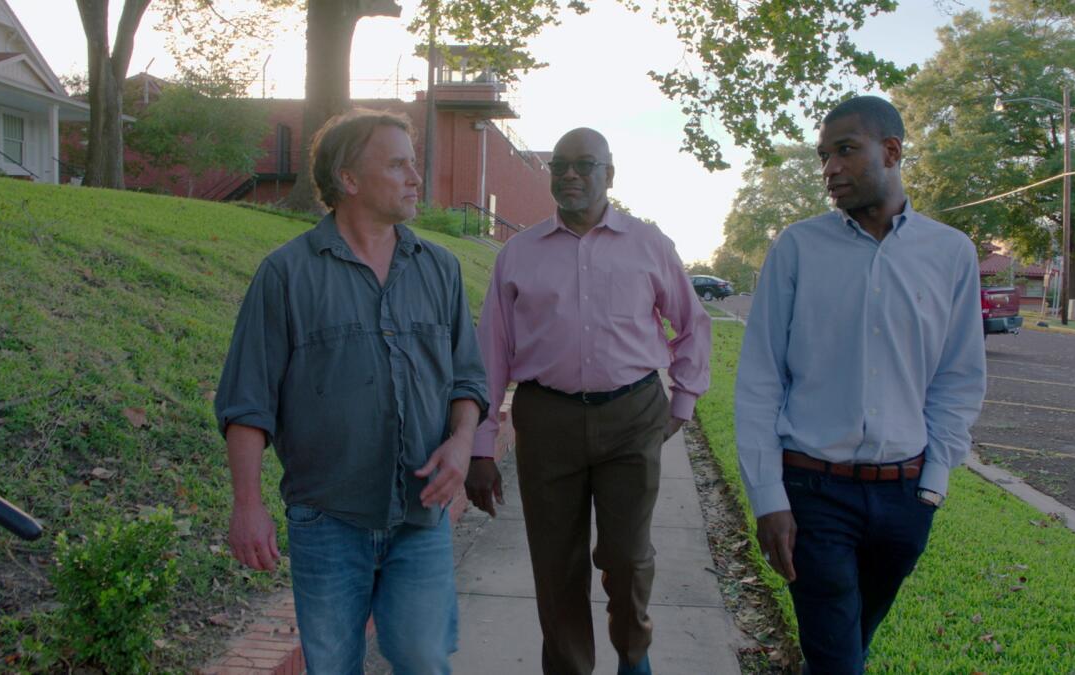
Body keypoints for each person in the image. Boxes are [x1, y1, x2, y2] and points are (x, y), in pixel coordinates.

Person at [214, 109, 488, 675]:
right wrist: (247, 506)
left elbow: (467, 378)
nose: (416, 176)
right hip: (328, 520)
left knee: (423, 658)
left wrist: (462, 441)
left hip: (421, 514)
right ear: (349, 179)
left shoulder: (439, 269)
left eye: (414, 162)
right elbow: (247, 402)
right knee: (333, 667)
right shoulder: (286, 275)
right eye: (398, 164)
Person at [734, 96, 987, 674]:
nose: (829, 169)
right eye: (824, 156)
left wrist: (932, 488)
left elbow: (957, 378)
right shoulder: (797, 247)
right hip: (814, 493)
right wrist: (769, 498)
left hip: (905, 497)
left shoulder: (951, 253)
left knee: (852, 643)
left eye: (845, 150)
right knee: (837, 658)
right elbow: (760, 379)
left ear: (892, 151)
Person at [467, 128, 711, 675]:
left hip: (632, 415)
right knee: (556, 563)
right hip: (546, 419)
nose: (570, 175)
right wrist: (482, 447)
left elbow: (692, 324)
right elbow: (492, 355)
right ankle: (569, 667)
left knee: (626, 557)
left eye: (584, 164)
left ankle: (633, 654)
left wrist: (684, 400)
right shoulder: (519, 253)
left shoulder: (649, 244)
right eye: (560, 166)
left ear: (609, 174)